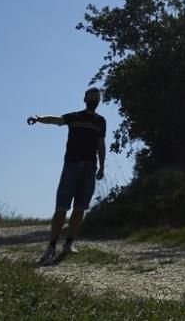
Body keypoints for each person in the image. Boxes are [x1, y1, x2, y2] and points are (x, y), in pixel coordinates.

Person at [27, 87, 106, 264]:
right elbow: (57, 120)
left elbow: (101, 144)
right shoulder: (75, 117)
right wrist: (38, 118)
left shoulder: (101, 121)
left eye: (97, 98)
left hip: (90, 167)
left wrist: (102, 166)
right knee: (62, 207)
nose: (94, 100)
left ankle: (69, 243)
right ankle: (52, 246)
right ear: (85, 99)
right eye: (91, 97)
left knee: (80, 208)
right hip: (71, 166)